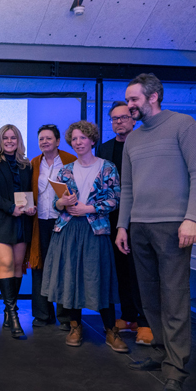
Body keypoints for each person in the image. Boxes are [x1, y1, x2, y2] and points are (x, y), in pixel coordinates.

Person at [116, 73, 196, 391]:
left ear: (152, 97)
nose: (129, 106)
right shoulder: (133, 140)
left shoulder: (184, 125)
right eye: (128, 100)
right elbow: (127, 188)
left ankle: (175, 369)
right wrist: (123, 226)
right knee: (150, 297)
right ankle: (159, 352)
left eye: (133, 99)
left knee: (174, 299)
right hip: (138, 226)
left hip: (173, 226)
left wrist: (191, 219)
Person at [41, 120, 128, 354]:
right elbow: (55, 203)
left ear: (92, 140)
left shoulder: (107, 167)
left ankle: (110, 330)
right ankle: (75, 326)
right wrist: (61, 202)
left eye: (82, 138)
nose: (78, 142)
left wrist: (87, 209)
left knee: (99, 277)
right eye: (75, 139)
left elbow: (114, 198)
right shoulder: (65, 170)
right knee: (71, 279)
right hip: (68, 230)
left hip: (95, 230)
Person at [97, 102, 152, 346]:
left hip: (138, 217)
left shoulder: (144, 143)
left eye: (123, 117)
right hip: (111, 219)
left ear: (133, 119)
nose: (118, 122)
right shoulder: (105, 148)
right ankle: (129, 317)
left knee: (139, 271)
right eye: (114, 119)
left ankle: (145, 322)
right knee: (120, 270)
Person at [0, 125, 36, 338]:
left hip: (21, 222)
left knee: (18, 267)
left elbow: (28, 193)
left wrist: (30, 207)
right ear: (0, 140)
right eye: (6, 138)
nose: (10, 141)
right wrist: (11, 208)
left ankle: (7, 309)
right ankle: (13, 314)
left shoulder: (26, 165)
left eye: (13, 138)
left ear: (18, 140)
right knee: (6, 264)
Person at [28, 124, 75, 330]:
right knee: (40, 266)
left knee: (64, 267)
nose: (44, 142)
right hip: (40, 222)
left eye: (48, 138)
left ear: (57, 141)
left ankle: (66, 317)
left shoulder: (70, 160)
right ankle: (42, 314)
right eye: (41, 139)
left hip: (63, 221)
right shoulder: (34, 163)